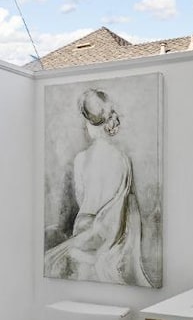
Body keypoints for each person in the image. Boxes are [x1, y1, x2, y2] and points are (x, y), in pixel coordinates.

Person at [44, 88, 152, 286]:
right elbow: (129, 209)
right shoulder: (122, 159)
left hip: (84, 231)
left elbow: (81, 198)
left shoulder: (80, 160)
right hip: (111, 237)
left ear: (88, 122)